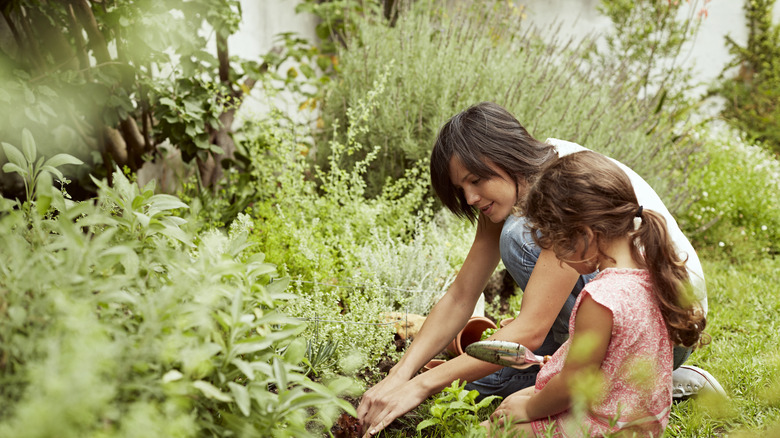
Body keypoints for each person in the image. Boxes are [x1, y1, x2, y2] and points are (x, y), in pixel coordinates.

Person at [357, 102, 717, 437]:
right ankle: (621, 378)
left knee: (517, 238)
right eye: (460, 188)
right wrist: (400, 375)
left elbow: (529, 331)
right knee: (475, 386)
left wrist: (420, 385)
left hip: (663, 332)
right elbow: (461, 295)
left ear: (506, 159)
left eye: (476, 180)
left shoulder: (563, 188)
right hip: (639, 322)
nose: (469, 198)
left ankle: (641, 377)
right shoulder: (513, 187)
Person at [481, 150, 708, 436]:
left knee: (491, 427)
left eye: (559, 245)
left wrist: (529, 410)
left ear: (585, 235)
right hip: (640, 421)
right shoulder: (652, 270)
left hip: (601, 426)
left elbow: (573, 385)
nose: (561, 260)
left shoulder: (601, 298)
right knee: (518, 399)